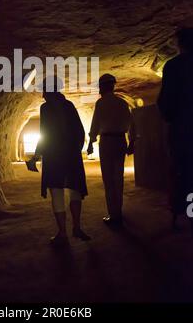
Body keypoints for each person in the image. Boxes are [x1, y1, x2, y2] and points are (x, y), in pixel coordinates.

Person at [28, 76, 90, 246]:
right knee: (75, 189)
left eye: (44, 91)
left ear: (49, 90)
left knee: (57, 192)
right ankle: (76, 227)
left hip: (54, 156)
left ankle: (63, 233)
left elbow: (45, 133)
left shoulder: (46, 108)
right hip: (71, 155)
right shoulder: (69, 106)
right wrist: (74, 151)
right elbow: (80, 131)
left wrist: (36, 156)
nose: (42, 95)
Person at [157, 27, 193, 235]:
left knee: (186, 176)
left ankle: (190, 217)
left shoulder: (174, 66)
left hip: (184, 132)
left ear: (180, 44)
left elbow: (166, 103)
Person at [87, 74, 135, 225]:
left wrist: (91, 141)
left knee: (108, 179)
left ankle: (113, 215)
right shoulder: (122, 103)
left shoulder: (101, 103)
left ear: (103, 87)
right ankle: (118, 212)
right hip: (120, 141)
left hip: (107, 142)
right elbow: (131, 124)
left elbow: (95, 124)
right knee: (118, 178)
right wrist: (131, 142)